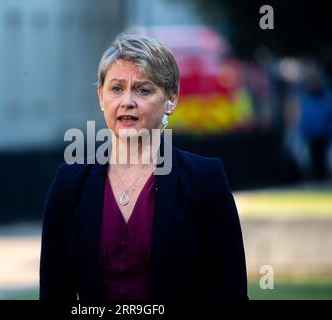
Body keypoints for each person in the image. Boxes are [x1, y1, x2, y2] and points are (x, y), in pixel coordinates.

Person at [39, 34, 247, 300]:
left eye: (143, 90)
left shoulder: (205, 180)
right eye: (116, 89)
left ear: (171, 99)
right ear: (100, 96)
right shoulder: (68, 184)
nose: (127, 101)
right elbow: (53, 294)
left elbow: (231, 293)